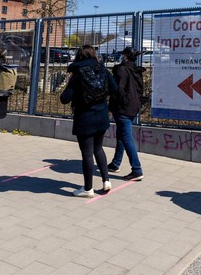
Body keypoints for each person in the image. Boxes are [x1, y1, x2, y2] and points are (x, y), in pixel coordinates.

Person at [60, 45, 116, 197]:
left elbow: (65, 99)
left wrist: (70, 84)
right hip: (102, 116)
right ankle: (106, 181)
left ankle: (88, 189)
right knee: (98, 148)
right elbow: (115, 89)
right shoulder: (103, 70)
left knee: (87, 153)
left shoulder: (77, 74)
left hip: (84, 118)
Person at [108, 47, 144, 181]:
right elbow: (140, 89)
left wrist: (117, 102)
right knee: (121, 135)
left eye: (122, 55)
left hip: (123, 108)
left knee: (126, 137)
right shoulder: (136, 70)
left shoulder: (121, 69)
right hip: (133, 106)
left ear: (126, 57)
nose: (120, 56)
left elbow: (117, 88)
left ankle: (137, 169)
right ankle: (115, 163)